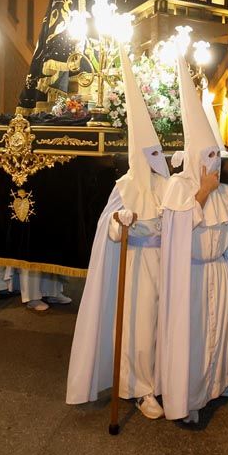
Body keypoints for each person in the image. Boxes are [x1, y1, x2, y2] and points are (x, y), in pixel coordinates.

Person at [67, 47, 169, 419]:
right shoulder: (125, 186)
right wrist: (120, 221)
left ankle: (159, 382)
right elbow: (106, 230)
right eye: (152, 154)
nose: (159, 161)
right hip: (138, 264)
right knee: (139, 329)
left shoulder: (166, 185)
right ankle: (139, 388)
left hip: (165, 264)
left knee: (161, 327)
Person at [158, 51, 228, 423]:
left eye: (217, 155)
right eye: (208, 155)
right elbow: (178, 227)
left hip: (220, 272)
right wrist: (203, 191)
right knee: (196, 338)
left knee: (223, 331)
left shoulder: (225, 186)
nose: (213, 161)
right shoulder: (177, 187)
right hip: (192, 278)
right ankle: (191, 397)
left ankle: (224, 381)